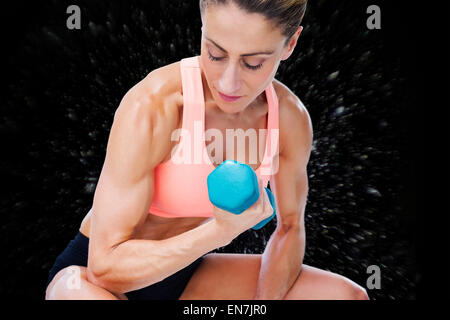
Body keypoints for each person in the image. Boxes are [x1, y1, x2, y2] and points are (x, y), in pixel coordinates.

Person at [45, 0, 369, 300]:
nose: (228, 84)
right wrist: (219, 232)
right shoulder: (154, 106)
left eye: (253, 63)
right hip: (92, 280)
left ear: (290, 44)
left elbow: (289, 228)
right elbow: (105, 269)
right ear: (202, 26)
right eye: (215, 54)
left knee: (346, 296)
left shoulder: (289, 119)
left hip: (187, 280)